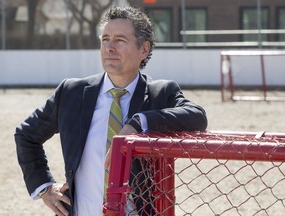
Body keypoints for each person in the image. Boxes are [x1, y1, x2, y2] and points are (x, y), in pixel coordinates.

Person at [15, 6, 207, 216]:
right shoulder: (72, 93)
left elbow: (197, 116)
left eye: (120, 40)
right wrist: (45, 188)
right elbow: (26, 135)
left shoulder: (159, 94)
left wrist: (138, 122)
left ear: (144, 49)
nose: (109, 47)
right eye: (105, 39)